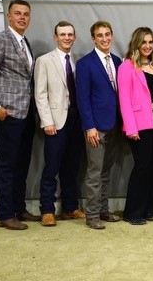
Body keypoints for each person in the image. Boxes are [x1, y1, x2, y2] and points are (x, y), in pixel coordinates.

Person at [0, 0, 40, 230]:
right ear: (9, 17)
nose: (22, 17)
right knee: (6, 164)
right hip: (8, 114)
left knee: (22, 163)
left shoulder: (25, 42)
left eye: (26, 14)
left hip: (26, 113)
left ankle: (18, 208)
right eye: (17, 13)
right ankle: (3, 214)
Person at [34, 21, 86, 227]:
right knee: (51, 167)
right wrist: (47, 121)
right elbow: (40, 94)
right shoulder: (44, 61)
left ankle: (70, 207)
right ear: (55, 37)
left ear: (74, 37)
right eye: (62, 34)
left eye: (70, 34)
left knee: (72, 167)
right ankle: (47, 209)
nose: (67, 37)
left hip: (75, 120)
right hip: (55, 121)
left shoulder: (77, 61)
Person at [76, 21, 122, 229]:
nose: (104, 38)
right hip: (96, 127)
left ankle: (103, 210)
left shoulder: (118, 61)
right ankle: (92, 215)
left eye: (107, 34)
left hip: (114, 125)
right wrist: (89, 127)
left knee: (106, 171)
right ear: (93, 39)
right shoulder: (86, 63)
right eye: (99, 35)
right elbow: (83, 98)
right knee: (94, 172)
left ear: (112, 36)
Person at [118, 27, 153, 225]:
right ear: (136, 44)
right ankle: (132, 212)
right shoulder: (127, 66)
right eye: (143, 42)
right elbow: (124, 100)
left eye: (150, 42)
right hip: (139, 125)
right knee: (142, 167)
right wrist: (131, 128)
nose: (147, 46)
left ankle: (148, 209)